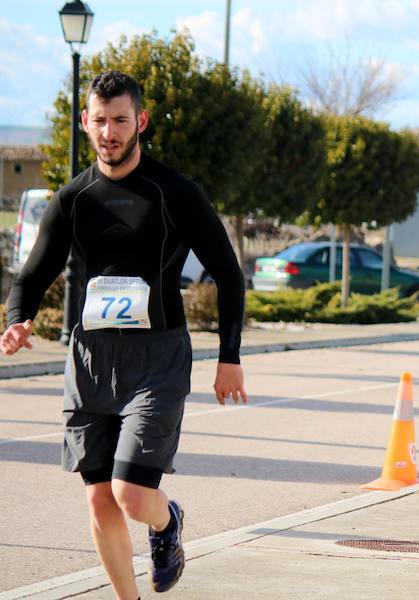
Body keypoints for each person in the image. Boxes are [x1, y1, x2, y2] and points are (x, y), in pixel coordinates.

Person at [1, 71, 248, 600]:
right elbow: (31, 276)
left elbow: (228, 272)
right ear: (84, 123)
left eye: (119, 120)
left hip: (157, 359)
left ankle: (167, 523)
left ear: (140, 121)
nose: (109, 132)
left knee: (133, 495)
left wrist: (231, 356)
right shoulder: (73, 199)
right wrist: (18, 319)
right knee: (99, 501)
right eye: (99, 121)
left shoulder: (175, 192)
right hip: (90, 359)